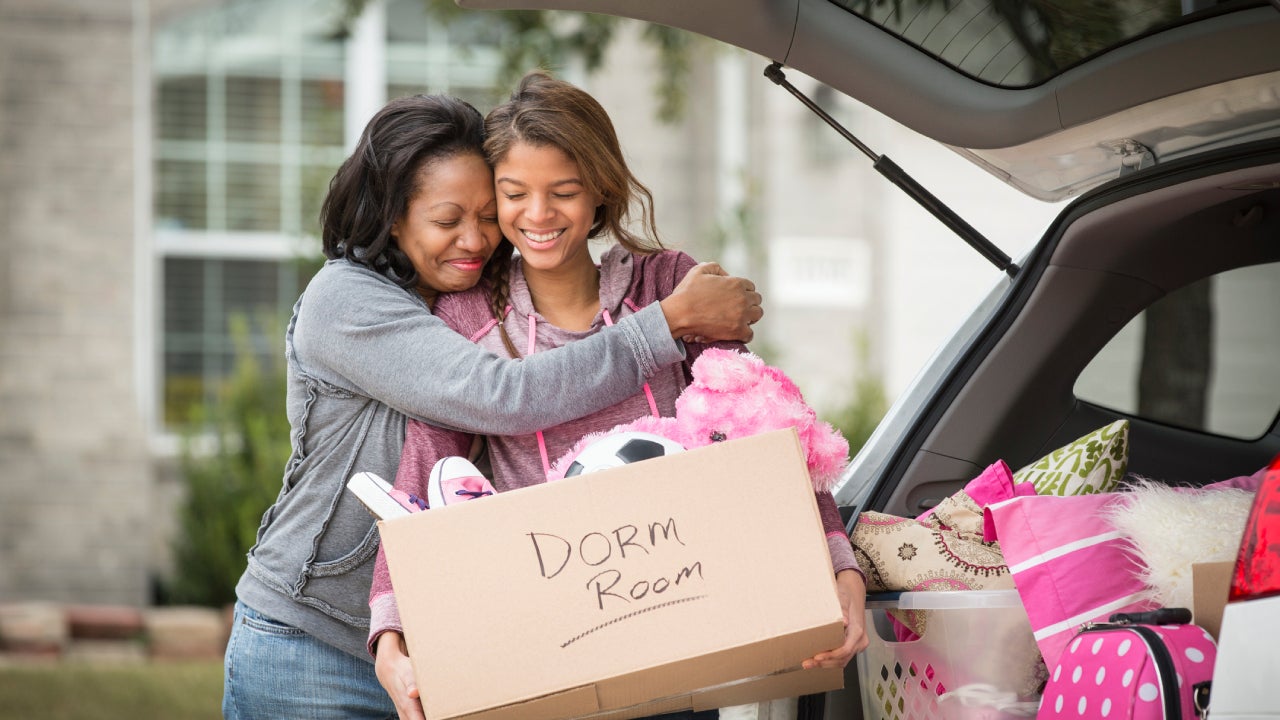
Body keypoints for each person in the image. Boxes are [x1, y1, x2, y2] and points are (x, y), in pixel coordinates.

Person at [221, 93, 763, 720]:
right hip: (318, 645)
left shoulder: (483, 299)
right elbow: (504, 397)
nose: (474, 238)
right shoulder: (346, 302)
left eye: (485, 214)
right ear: (394, 217)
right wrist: (669, 321)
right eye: (447, 219)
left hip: (456, 647)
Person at [367, 71, 868, 720]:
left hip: (682, 640)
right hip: (550, 656)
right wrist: (391, 635)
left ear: (601, 190)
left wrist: (840, 568)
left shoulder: (670, 287)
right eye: (514, 194)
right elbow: (422, 474)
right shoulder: (466, 321)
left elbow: (763, 427)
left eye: (564, 192)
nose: (539, 215)